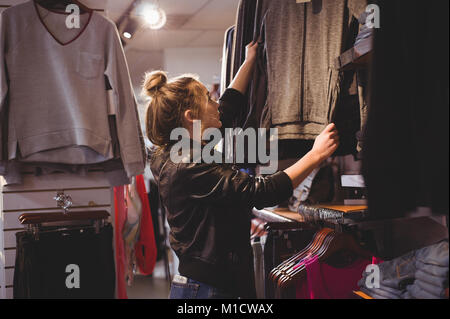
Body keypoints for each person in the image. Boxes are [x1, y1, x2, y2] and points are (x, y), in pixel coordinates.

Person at [143, 41, 339, 299]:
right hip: (209, 290)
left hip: (204, 284)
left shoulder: (178, 150)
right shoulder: (189, 164)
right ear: (192, 117)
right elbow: (260, 191)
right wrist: (315, 155)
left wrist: (249, 61)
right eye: (208, 98)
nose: (215, 103)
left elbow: (227, 107)